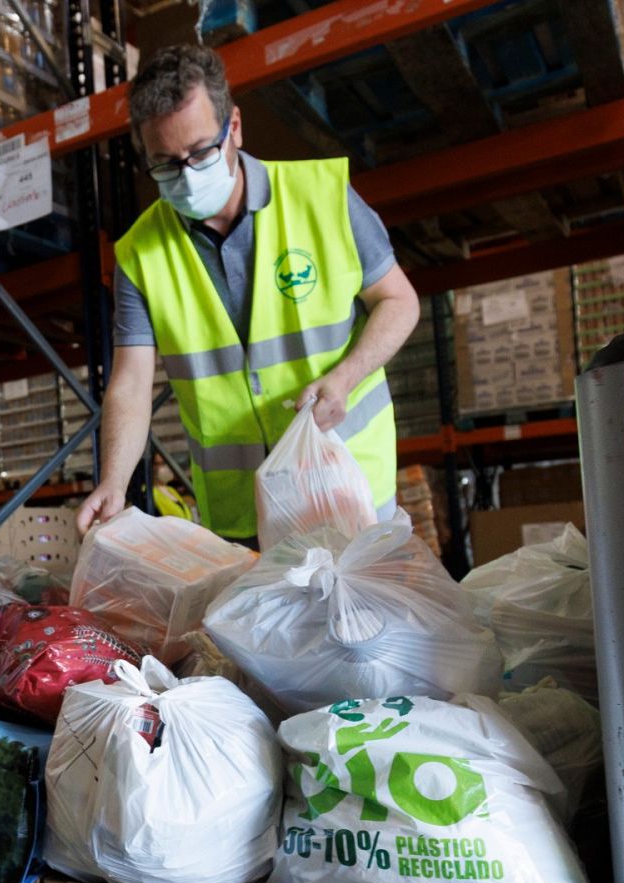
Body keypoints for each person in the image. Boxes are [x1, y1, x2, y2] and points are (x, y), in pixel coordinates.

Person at [76, 44, 420, 545]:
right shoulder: (139, 256)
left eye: (200, 153)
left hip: (348, 492)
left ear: (234, 126)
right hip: (243, 519)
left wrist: (345, 377)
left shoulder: (321, 196)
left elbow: (399, 301)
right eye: (165, 165)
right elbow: (130, 383)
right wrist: (113, 480)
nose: (188, 176)